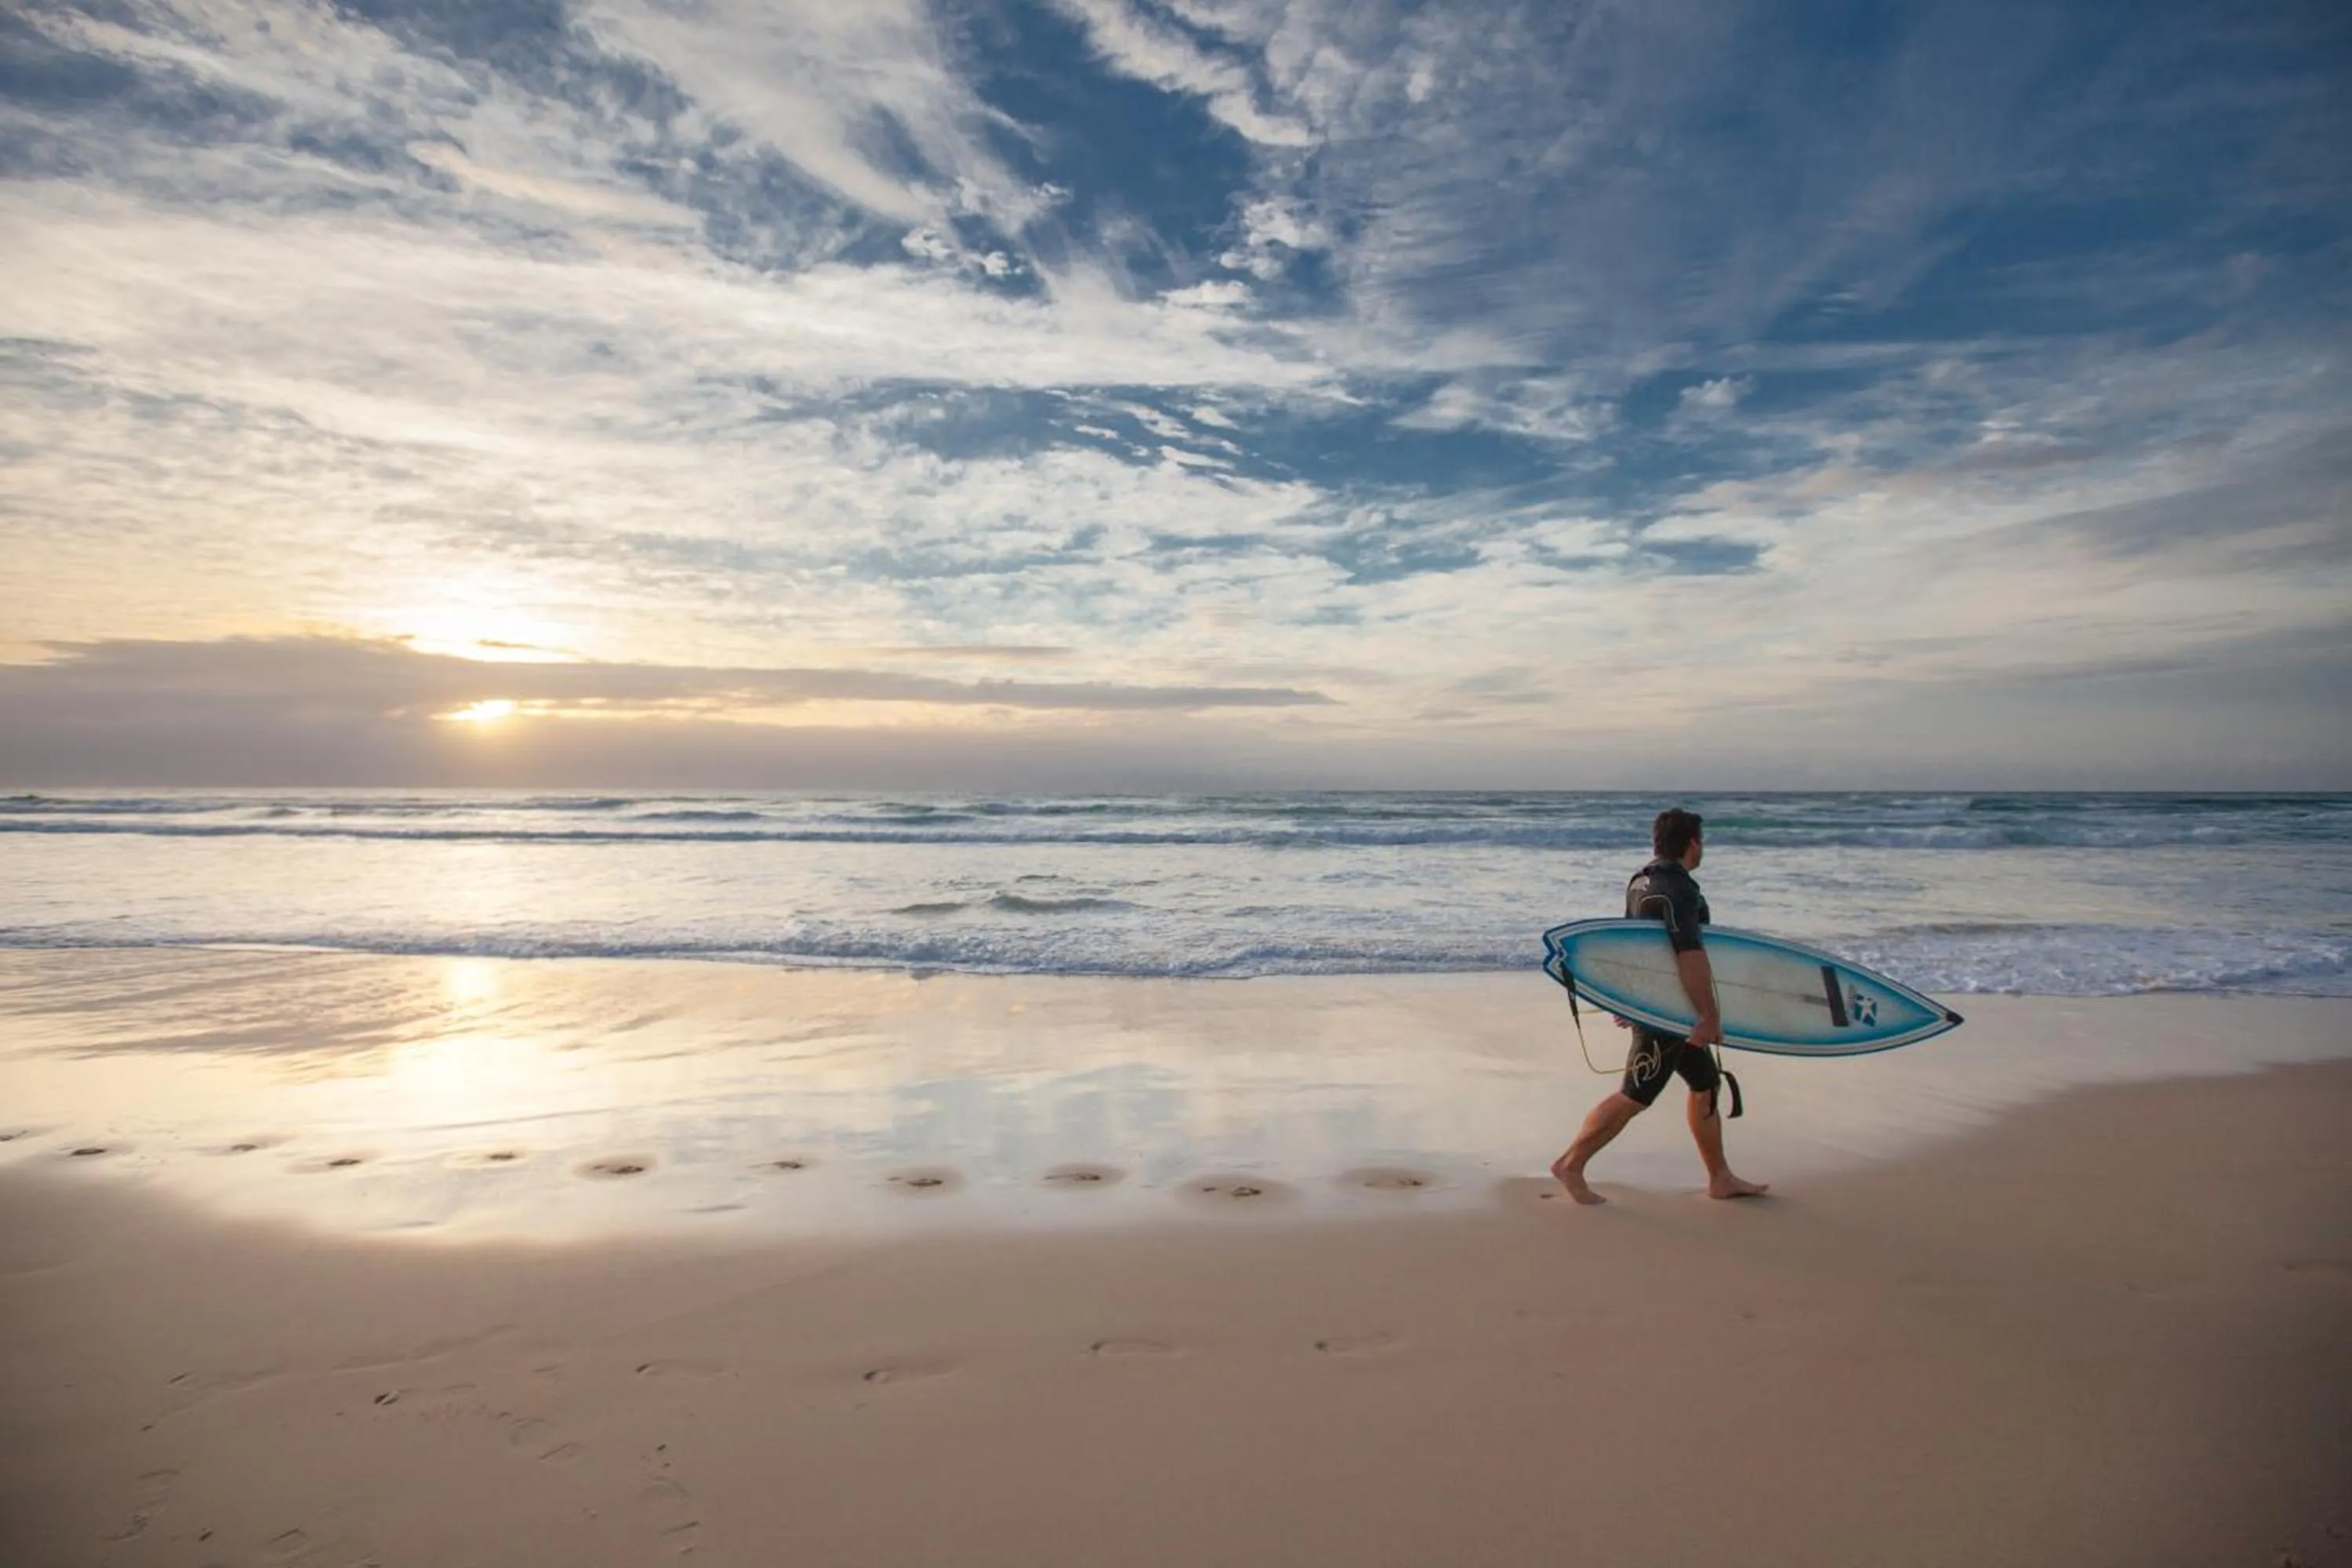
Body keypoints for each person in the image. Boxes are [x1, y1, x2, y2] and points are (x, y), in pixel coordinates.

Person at [1550, 808, 1769, 1205]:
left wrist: (1626, 999)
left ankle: (1720, 1178)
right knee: (1636, 1094)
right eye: (1701, 841)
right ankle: (1571, 1163)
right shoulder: (1679, 888)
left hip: (1662, 1006)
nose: (1702, 848)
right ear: (1692, 843)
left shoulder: (1640, 882)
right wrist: (1709, 1015)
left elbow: (1630, 947)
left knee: (1705, 1085)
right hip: (1670, 1014)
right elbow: (1688, 953)